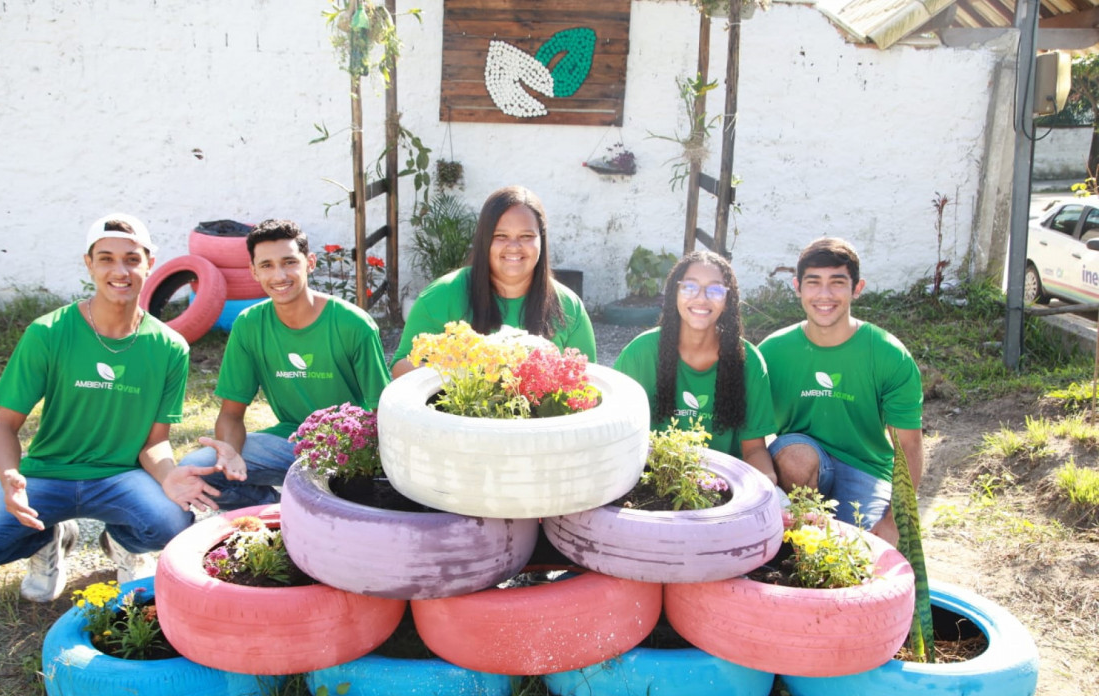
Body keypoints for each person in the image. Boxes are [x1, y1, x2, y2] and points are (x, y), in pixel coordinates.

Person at [0, 214, 228, 602]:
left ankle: (124, 542)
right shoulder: (49, 332)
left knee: (172, 523)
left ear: (150, 265)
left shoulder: (170, 347)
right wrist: (9, 478)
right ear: (89, 264)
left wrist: (169, 475)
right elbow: (5, 426)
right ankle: (46, 538)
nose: (119, 270)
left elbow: (154, 443)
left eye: (131, 258)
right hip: (47, 475)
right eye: (106, 258)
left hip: (120, 477)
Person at [178, 218, 391, 509]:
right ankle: (275, 514)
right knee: (197, 467)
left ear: (310, 262)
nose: (279, 275)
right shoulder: (249, 325)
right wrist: (229, 452)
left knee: (341, 510)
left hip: (348, 451)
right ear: (253, 271)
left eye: (289, 262)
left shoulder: (353, 324)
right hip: (289, 441)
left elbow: (382, 412)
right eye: (266, 265)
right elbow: (230, 414)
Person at [758, 237, 923, 544]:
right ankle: (802, 529)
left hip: (866, 470)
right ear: (797, 287)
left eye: (837, 282)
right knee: (795, 456)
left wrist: (894, 521)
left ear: (856, 289)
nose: (824, 294)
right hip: (799, 464)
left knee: (867, 552)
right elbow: (745, 429)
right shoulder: (772, 352)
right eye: (813, 282)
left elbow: (909, 446)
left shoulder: (888, 354)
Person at [391, 185, 596, 375]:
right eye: (500, 236)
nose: (514, 246)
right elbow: (400, 370)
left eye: (526, 236)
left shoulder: (569, 307)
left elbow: (588, 384)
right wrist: (462, 365)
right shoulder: (440, 296)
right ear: (483, 240)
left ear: (542, 239)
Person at [614, 251, 776, 482]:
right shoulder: (640, 353)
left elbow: (754, 449)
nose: (701, 298)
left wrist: (767, 484)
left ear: (728, 299)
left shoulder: (747, 359)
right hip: (654, 482)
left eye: (715, 290)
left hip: (721, 486)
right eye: (690, 287)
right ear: (674, 293)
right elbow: (618, 437)